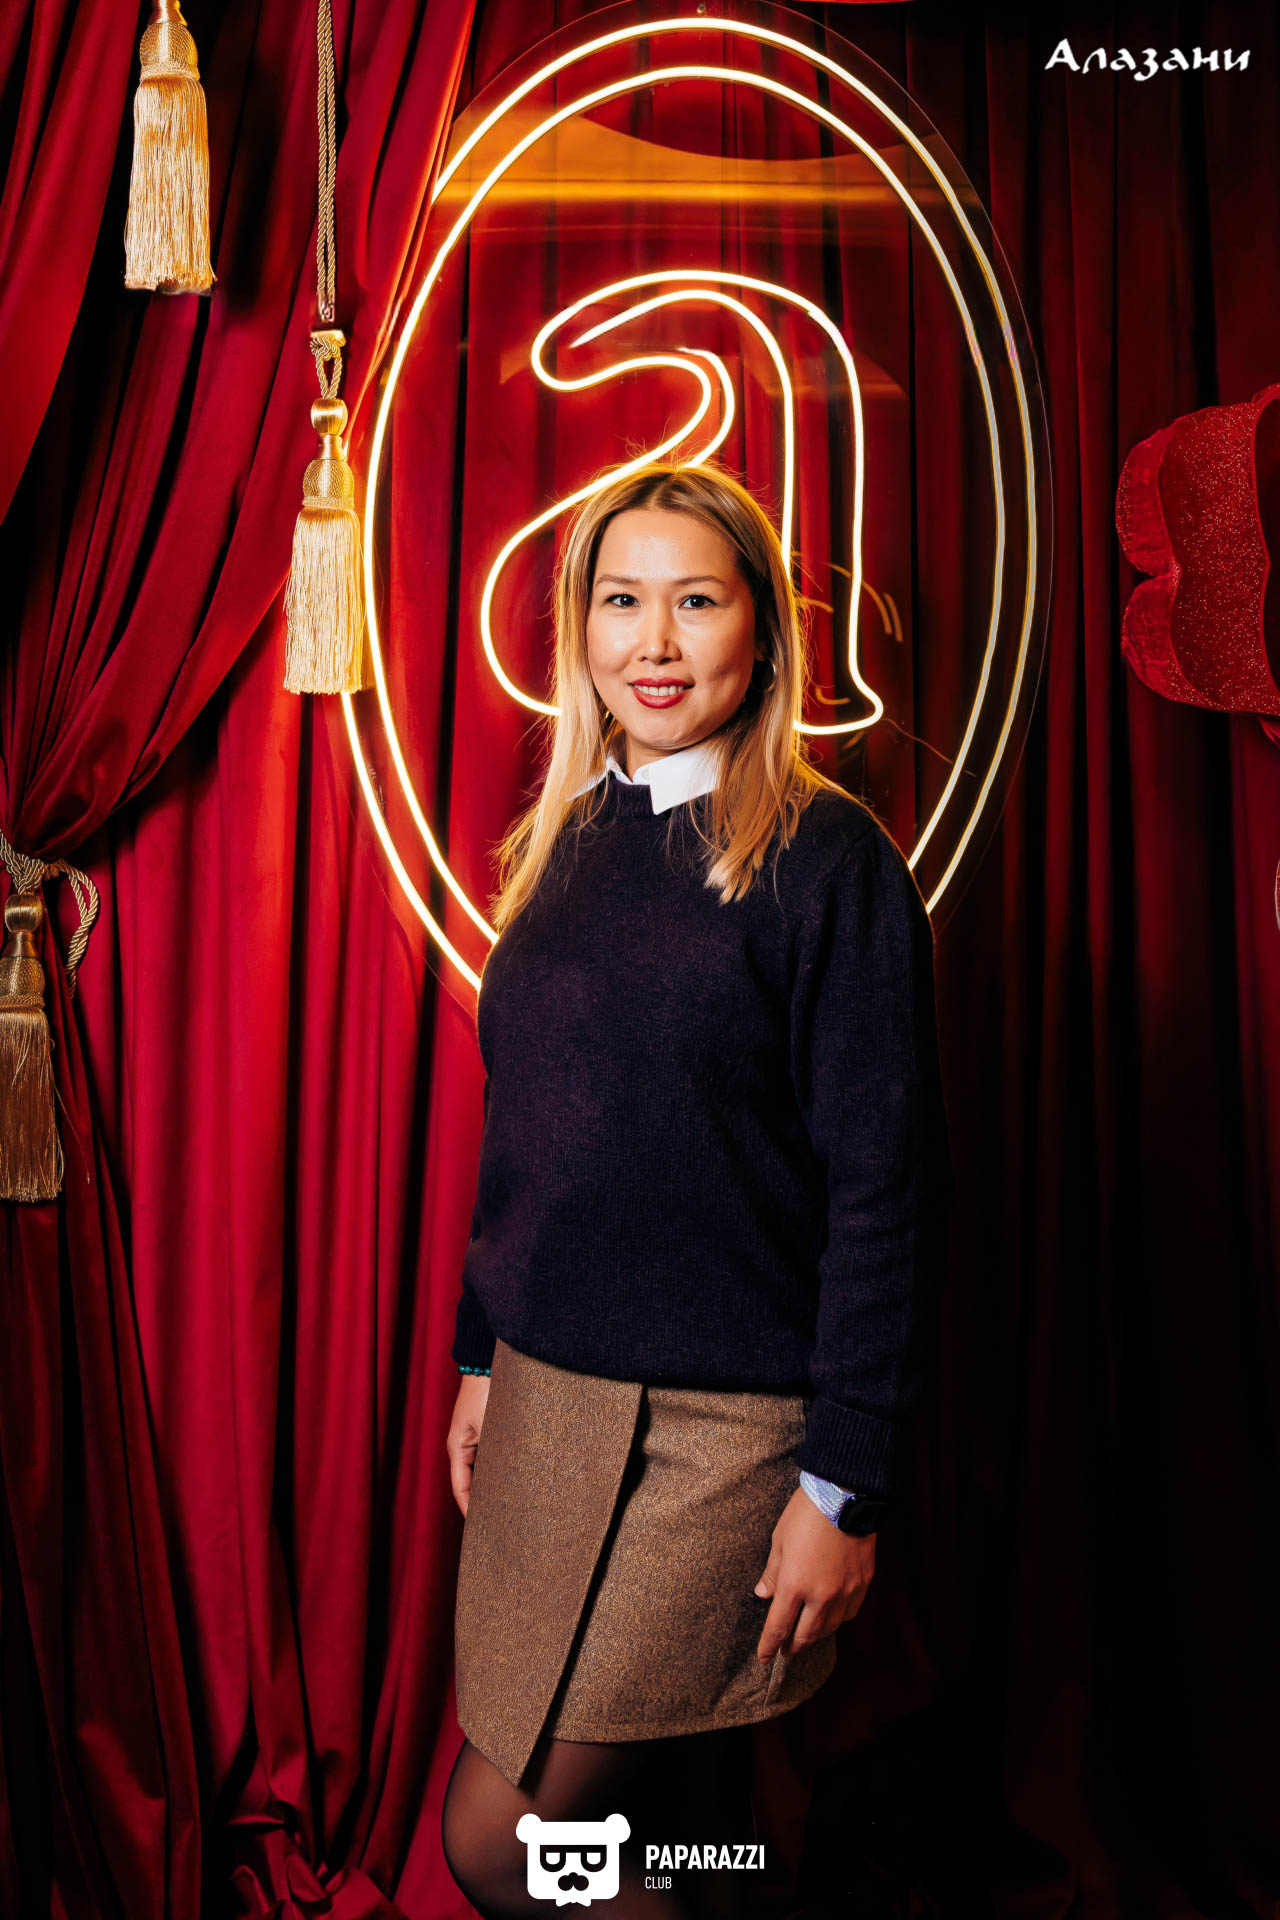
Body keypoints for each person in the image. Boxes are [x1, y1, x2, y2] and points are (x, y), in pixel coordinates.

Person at [440, 460, 952, 1917]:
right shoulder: (569, 837)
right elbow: (533, 1135)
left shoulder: (830, 862)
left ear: (762, 633)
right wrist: (482, 1356)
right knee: (665, 1827)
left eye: (696, 602)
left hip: (726, 1436)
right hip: (547, 1405)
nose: (653, 643)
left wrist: (844, 1485)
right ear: (580, 629)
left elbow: (887, 1194)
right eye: (622, 601)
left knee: (510, 1843)